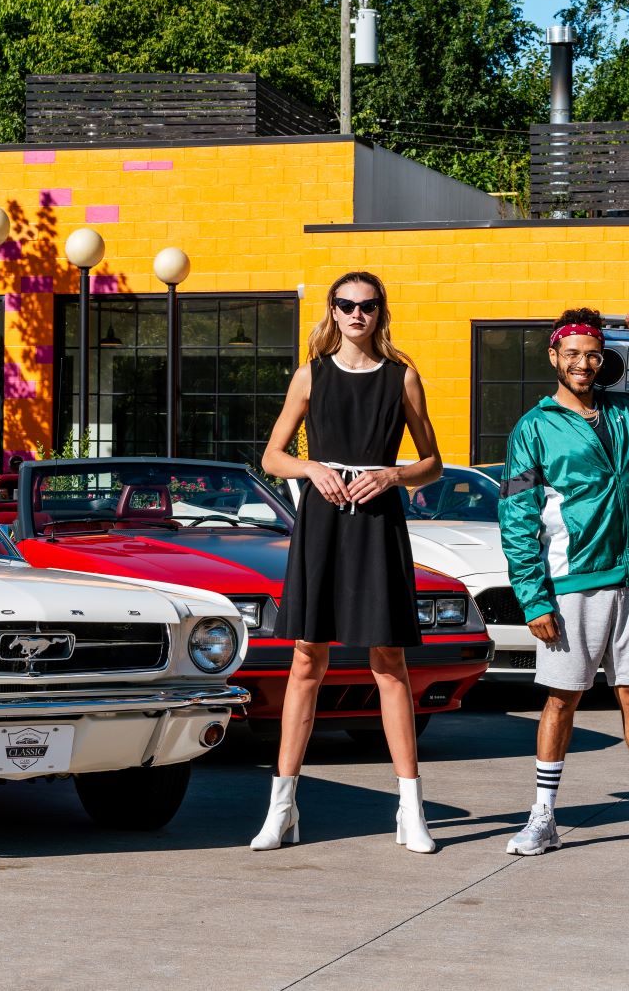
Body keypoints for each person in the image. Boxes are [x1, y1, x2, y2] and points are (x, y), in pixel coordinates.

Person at [497, 306, 629, 860]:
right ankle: (542, 817)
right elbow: (516, 519)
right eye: (573, 354)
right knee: (562, 699)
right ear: (554, 357)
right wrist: (533, 597)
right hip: (572, 584)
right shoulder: (533, 428)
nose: (584, 364)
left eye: (593, 354)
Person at [252, 271, 444, 854]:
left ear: (381, 312)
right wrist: (312, 468)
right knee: (307, 660)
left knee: (390, 663)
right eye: (346, 305)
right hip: (323, 523)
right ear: (332, 312)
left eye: (368, 305)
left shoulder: (402, 376)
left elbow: (432, 461)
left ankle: (411, 810)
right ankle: (281, 809)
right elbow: (272, 456)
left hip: (379, 524)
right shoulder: (310, 375)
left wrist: (393, 474)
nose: (357, 314)